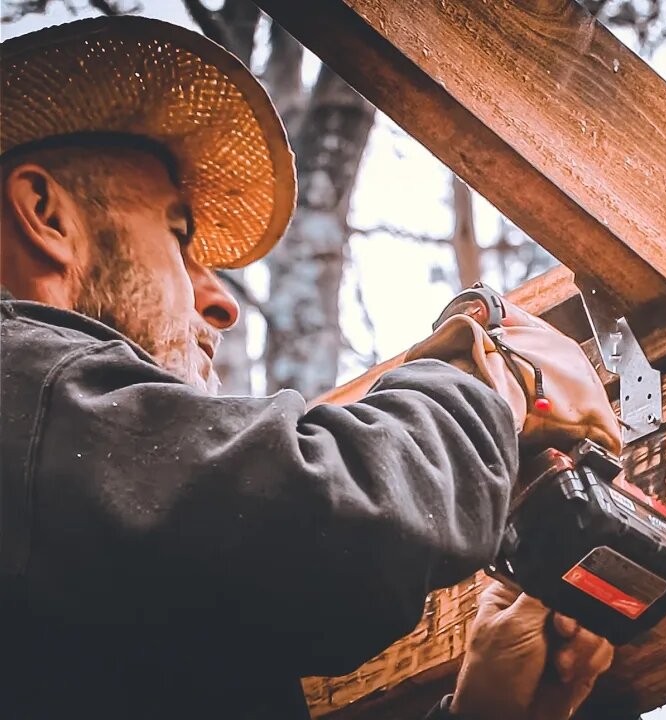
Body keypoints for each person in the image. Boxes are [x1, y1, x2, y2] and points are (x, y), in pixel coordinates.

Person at [0, 16, 621, 720]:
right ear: (46, 213)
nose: (222, 302)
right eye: (179, 237)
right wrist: (490, 374)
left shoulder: (98, 573)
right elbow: (332, 523)